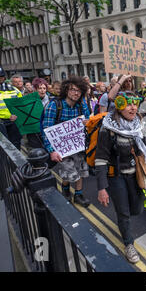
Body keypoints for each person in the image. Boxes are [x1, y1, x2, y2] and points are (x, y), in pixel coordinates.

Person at [95, 91, 146, 263]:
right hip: (116, 176)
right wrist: (102, 188)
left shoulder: (139, 123)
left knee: (137, 209)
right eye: (128, 104)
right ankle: (128, 243)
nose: (133, 107)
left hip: (136, 175)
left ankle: (124, 223)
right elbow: (101, 159)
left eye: (135, 103)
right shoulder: (108, 128)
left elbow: (144, 147)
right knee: (123, 212)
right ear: (119, 105)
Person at [41, 76, 91, 208]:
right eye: (73, 90)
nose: (76, 93)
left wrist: (88, 123)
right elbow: (46, 129)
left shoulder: (82, 105)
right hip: (61, 148)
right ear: (66, 90)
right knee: (68, 172)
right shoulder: (54, 105)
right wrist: (52, 151)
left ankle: (78, 194)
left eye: (79, 91)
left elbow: (88, 122)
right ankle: (66, 190)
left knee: (80, 170)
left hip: (79, 145)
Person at [26, 78, 50, 150]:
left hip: (46, 130)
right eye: (40, 88)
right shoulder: (28, 100)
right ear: (35, 89)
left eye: (44, 88)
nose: (42, 90)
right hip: (34, 133)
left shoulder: (51, 101)